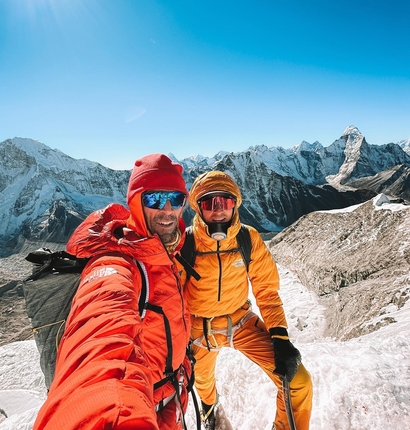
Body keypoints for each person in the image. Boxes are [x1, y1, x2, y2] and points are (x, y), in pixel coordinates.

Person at [33, 154, 193, 430]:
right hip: (144, 411)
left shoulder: (163, 251)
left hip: (171, 404)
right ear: (135, 202)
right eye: (154, 199)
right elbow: (102, 346)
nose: (168, 210)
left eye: (176, 199)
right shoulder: (117, 263)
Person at [178, 171, 313, 430]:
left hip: (240, 321)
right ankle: (209, 410)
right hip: (198, 329)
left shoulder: (247, 240)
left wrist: (281, 339)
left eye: (225, 202)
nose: (218, 211)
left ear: (235, 205)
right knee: (202, 383)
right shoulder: (186, 244)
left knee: (298, 381)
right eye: (209, 203)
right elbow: (172, 295)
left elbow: (266, 290)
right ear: (198, 208)